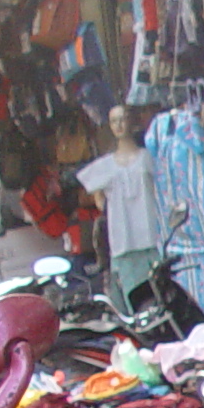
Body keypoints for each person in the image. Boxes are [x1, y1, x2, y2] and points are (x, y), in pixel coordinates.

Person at [75, 104, 165, 310]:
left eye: (122, 119)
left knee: (158, 293)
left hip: (151, 237)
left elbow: (161, 188)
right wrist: (106, 206)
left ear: (131, 121)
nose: (119, 125)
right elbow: (93, 192)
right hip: (123, 242)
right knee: (132, 298)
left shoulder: (147, 157)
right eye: (114, 120)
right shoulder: (105, 165)